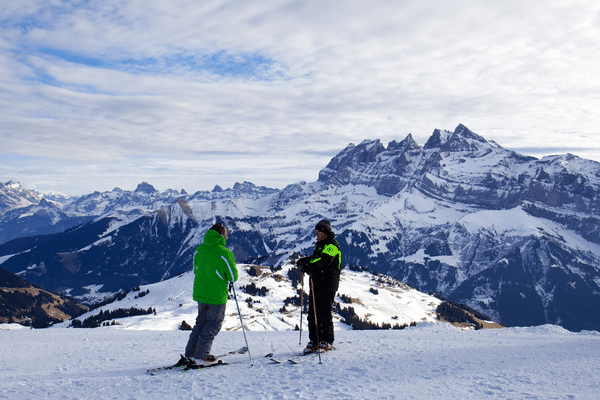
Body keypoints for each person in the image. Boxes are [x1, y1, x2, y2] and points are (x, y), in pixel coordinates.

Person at [184, 223, 238, 365]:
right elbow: (233, 276)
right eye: (226, 234)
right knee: (213, 325)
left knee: (200, 324)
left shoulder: (199, 250)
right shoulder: (224, 252)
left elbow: (195, 269)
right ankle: (201, 356)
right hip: (216, 295)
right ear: (222, 234)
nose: (227, 236)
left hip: (201, 293)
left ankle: (190, 354)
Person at [297, 219, 342, 353]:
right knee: (312, 313)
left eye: (318, 232)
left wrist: (310, 266)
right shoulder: (320, 245)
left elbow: (324, 261)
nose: (316, 235)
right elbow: (316, 259)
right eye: (316, 232)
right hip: (317, 283)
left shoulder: (332, 246)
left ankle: (327, 341)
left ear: (325, 232)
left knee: (324, 313)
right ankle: (315, 340)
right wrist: (305, 261)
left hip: (327, 284)